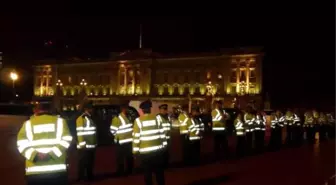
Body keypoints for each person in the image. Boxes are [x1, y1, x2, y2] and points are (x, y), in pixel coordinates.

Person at [17, 97, 72, 185]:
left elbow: (21, 144)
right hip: (57, 171)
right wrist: (51, 154)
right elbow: (66, 140)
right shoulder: (61, 122)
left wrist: (35, 155)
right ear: (52, 109)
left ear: (36, 109)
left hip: (34, 171)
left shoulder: (27, 124)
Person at [133, 100, 167, 185]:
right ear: (150, 109)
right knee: (159, 173)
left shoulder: (138, 121)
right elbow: (162, 134)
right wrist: (164, 147)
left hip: (145, 153)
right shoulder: (157, 119)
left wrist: (135, 152)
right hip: (158, 152)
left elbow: (136, 138)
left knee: (147, 174)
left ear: (142, 110)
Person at [76, 102, 97, 182]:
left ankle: (89, 176)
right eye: (91, 108)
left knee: (90, 162)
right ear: (86, 109)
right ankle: (81, 177)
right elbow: (80, 133)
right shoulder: (81, 119)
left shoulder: (90, 118)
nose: (92, 110)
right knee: (83, 163)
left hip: (91, 145)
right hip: (85, 146)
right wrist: (82, 145)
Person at [110, 103, 134, 176]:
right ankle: (129, 171)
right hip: (127, 141)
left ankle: (121, 171)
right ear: (123, 109)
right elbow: (113, 130)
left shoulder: (120, 118)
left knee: (121, 158)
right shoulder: (126, 117)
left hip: (122, 141)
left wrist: (118, 135)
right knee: (128, 157)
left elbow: (113, 131)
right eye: (126, 108)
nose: (127, 110)